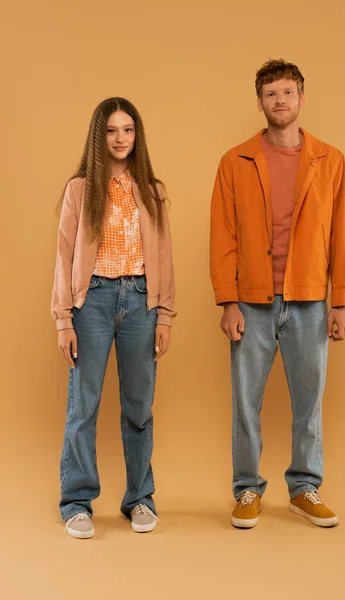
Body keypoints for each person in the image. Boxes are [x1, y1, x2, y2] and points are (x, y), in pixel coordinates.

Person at [210, 59, 345, 529]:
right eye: (271, 94)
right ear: (259, 103)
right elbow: (224, 234)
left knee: (309, 400)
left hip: (310, 300)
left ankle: (304, 487)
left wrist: (342, 301)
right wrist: (228, 300)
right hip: (251, 301)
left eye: (288, 93)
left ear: (301, 99)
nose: (280, 101)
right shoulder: (235, 161)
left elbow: (341, 234)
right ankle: (247, 488)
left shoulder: (330, 160)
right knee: (245, 400)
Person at [51, 97, 176, 538]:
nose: (120, 138)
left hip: (141, 302)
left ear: (136, 135)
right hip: (94, 303)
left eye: (127, 130)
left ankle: (140, 498)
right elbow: (65, 255)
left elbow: (163, 254)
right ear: (98, 136)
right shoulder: (80, 189)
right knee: (83, 406)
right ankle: (77, 502)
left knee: (139, 408)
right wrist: (64, 318)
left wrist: (165, 314)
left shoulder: (153, 190)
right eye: (111, 131)